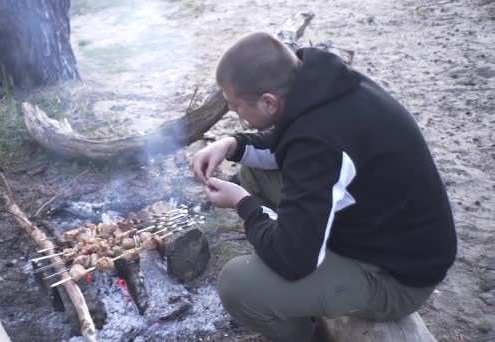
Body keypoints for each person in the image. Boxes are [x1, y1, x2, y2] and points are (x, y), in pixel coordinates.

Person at [192, 32, 457, 342]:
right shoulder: (319, 85)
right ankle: (298, 260)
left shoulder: (318, 142)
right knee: (254, 170)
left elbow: (295, 260)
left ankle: (307, 333)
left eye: (236, 107)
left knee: (238, 285)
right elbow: (288, 144)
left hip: (398, 277)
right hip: (381, 228)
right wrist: (231, 144)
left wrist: (243, 203)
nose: (237, 115)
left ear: (268, 102)